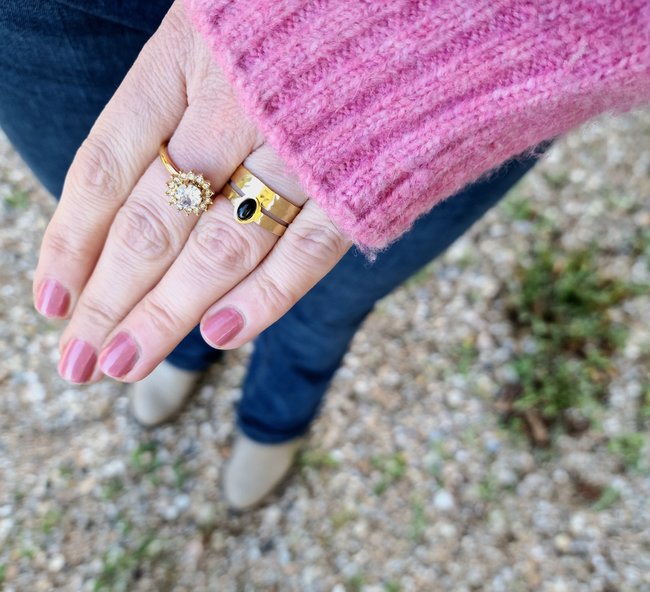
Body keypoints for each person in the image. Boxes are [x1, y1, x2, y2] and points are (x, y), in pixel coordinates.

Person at [1, 1, 647, 511]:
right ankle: (184, 349)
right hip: (50, 16)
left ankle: (275, 416)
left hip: (457, 60)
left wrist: (347, 35)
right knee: (138, 235)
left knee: (322, 301)